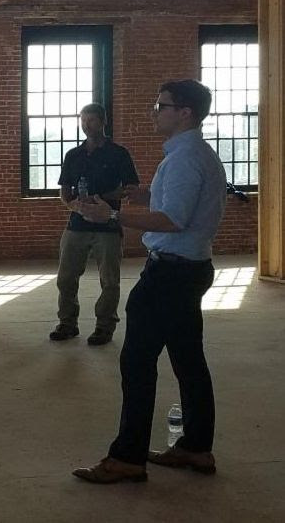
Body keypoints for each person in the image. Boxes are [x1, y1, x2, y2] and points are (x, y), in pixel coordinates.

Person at [72, 80, 226, 484]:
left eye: (162, 106)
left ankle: (127, 457)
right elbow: (177, 204)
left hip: (170, 274)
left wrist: (111, 215)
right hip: (189, 269)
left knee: (137, 362)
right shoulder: (192, 154)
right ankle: (196, 447)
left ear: (185, 113)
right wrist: (144, 194)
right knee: (188, 360)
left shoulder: (184, 159)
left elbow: (173, 220)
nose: (154, 112)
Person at [50, 104, 139, 346]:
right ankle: (67, 323)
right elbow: (64, 191)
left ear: (103, 122)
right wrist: (75, 205)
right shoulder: (73, 155)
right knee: (66, 278)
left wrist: (101, 199)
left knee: (109, 280)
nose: (86, 125)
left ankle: (104, 326)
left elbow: (130, 188)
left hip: (108, 226)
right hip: (76, 225)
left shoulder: (118, 154)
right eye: (83, 120)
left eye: (91, 120)